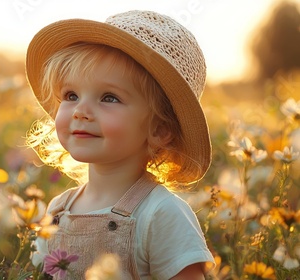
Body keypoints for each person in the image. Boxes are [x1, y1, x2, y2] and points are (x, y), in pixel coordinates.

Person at [25, 10, 215, 279]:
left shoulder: (161, 213)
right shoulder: (57, 209)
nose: (80, 110)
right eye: (71, 95)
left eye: (109, 98)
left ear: (160, 129)